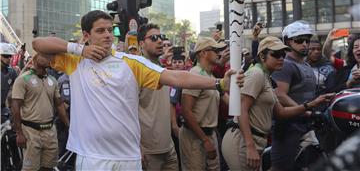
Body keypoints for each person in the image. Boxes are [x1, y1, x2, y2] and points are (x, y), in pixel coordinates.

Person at [32, 10, 245, 170]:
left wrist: (218, 83)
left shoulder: (131, 62)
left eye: (110, 30)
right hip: (91, 158)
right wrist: (79, 49)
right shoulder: (74, 62)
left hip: (128, 158)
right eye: (100, 31)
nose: (107, 35)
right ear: (86, 35)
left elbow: (175, 76)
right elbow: (38, 43)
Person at [221, 36, 335, 171]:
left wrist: (311, 104)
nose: (281, 58)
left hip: (253, 140)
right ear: (262, 56)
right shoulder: (256, 74)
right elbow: (241, 109)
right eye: (275, 54)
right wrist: (250, 146)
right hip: (243, 140)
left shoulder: (266, 77)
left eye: (282, 54)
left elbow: (281, 112)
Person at [270, 20, 319, 171]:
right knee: (283, 167)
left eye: (307, 40)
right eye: (299, 40)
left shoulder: (304, 64)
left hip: (304, 124)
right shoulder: (285, 64)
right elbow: (279, 95)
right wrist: (306, 110)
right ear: (287, 42)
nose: (305, 44)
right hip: (288, 127)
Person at [11, 53, 69, 171]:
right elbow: (15, 106)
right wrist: (19, 133)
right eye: (44, 55)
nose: (48, 58)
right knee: (31, 168)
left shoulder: (53, 80)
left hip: (50, 131)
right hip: (31, 131)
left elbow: (59, 105)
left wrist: (68, 125)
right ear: (35, 59)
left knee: (48, 166)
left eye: (49, 56)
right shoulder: (23, 79)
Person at [179, 37, 229, 171]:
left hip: (210, 134)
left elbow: (229, 101)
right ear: (203, 53)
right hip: (194, 136)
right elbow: (186, 111)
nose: (219, 53)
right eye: (215, 50)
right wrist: (205, 140)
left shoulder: (212, 77)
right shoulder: (195, 74)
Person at [137, 23, 178, 170]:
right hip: (148, 152)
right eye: (154, 38)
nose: (160, 41)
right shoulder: (136, 70)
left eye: (161, 37)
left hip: (169, 148)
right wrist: (138, 147)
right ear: (141, 43)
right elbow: (126, 112)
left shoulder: (161, 68)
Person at [1, 42, 18, 115]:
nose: (8, 58)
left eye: (10, 56)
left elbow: (20, 83)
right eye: (5, 56)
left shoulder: (12, 72)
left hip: (3, 108)